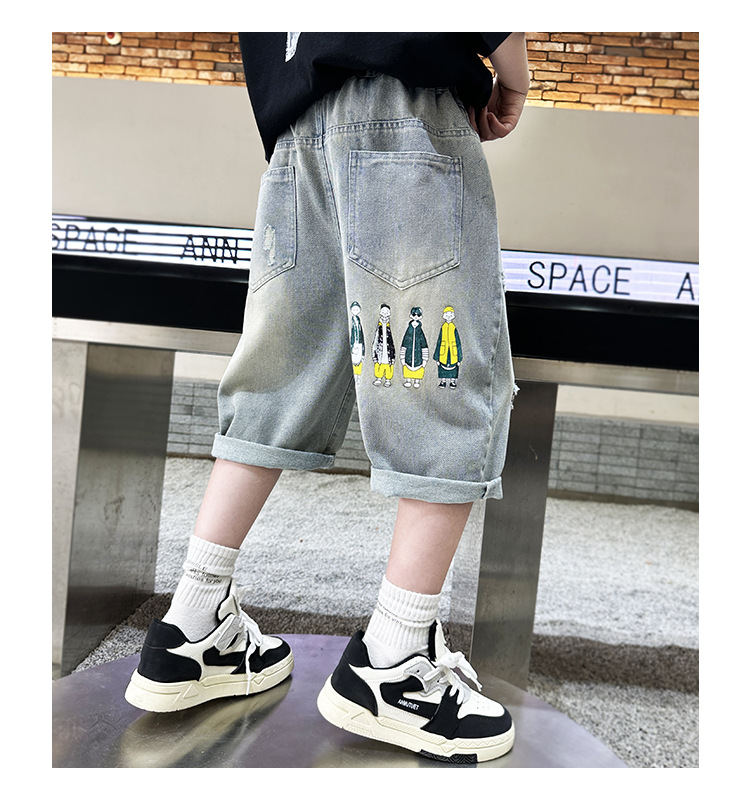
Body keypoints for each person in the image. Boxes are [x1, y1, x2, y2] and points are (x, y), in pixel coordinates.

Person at [125, 32, 529, 764]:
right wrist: (513, 77)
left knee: (276, 377)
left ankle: (193, 621)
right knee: (439, 379)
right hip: (403, 111)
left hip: (297, 127)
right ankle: (395, 661)